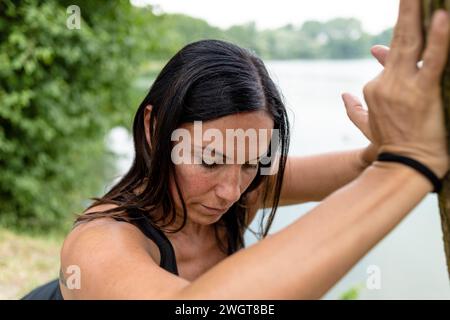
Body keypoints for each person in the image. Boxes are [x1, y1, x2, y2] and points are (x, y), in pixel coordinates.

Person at [22, 0, 450, 300]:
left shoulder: (240, 192)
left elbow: (362, 165)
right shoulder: (99, 243)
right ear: (154, 128)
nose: (230, 192)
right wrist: (405, 165)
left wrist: (393, 144)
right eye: (209, 159)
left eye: (252, 161)